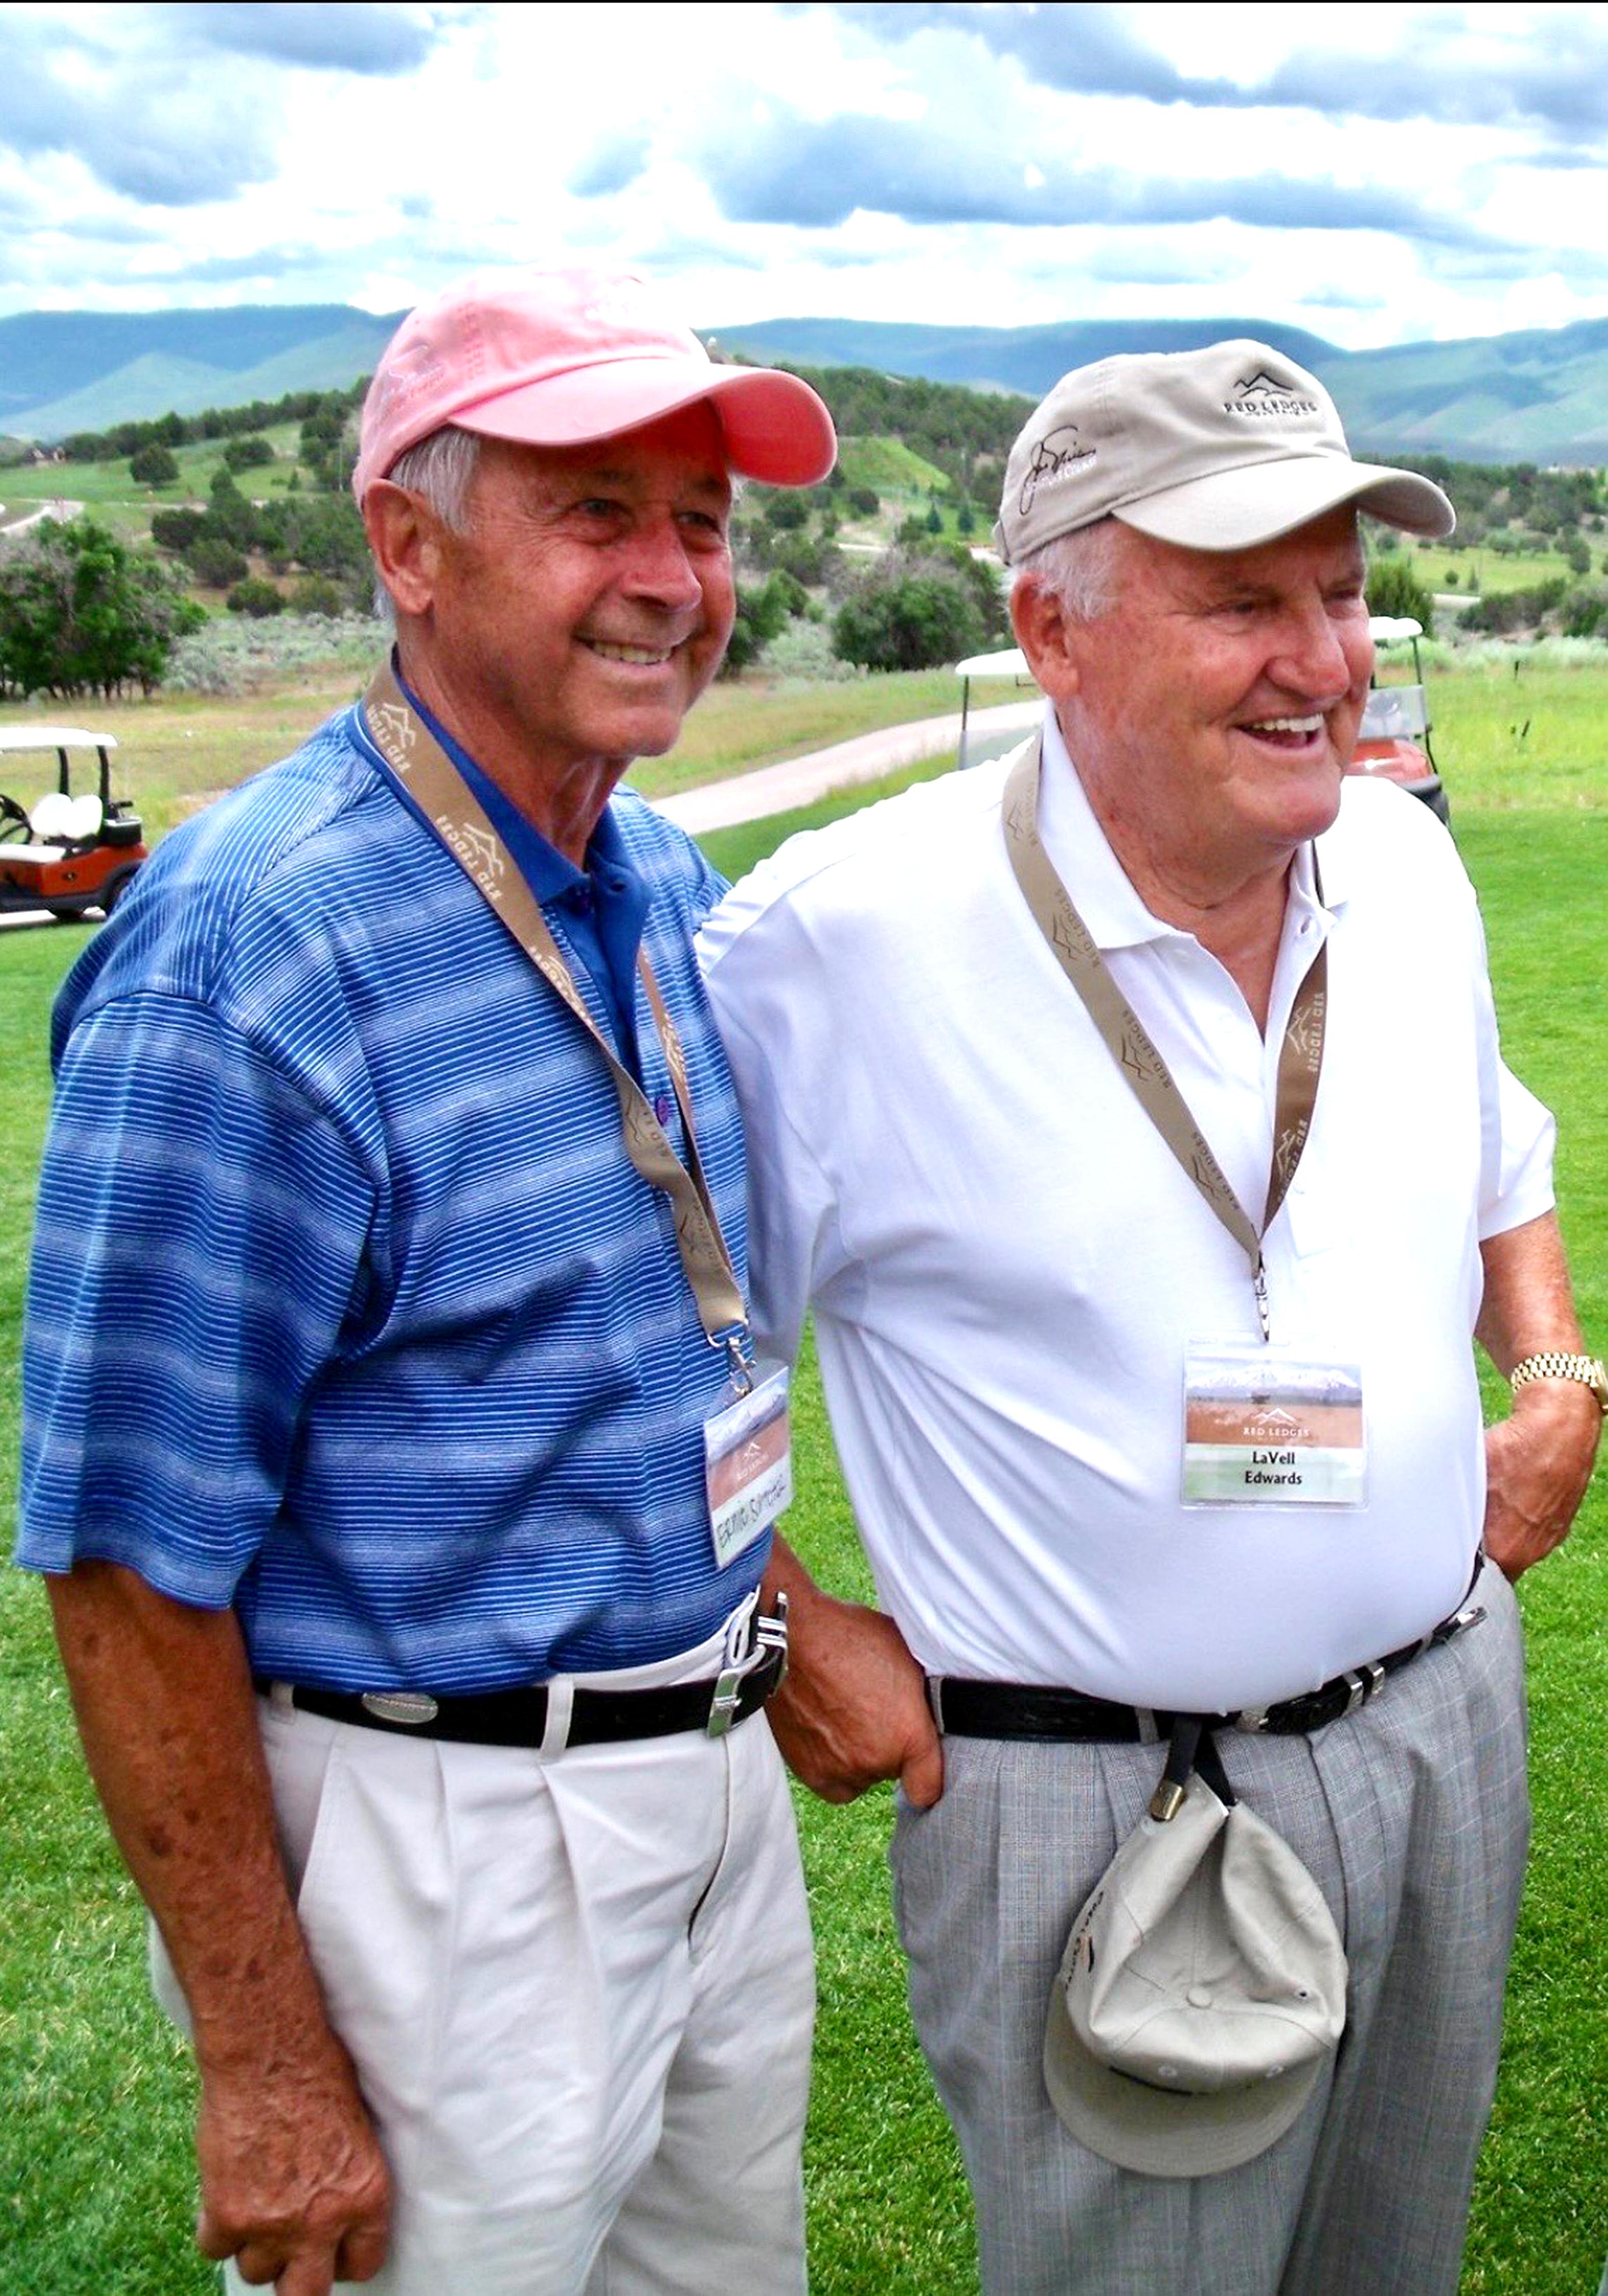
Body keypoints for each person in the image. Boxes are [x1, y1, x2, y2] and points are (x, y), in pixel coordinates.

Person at [707, 340, 1605, 2294]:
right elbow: (648, 1355)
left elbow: (1498, 1161)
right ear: (1053, 628)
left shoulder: (1400, 860)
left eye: (1345, 590)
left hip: (1442, 1722)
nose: (1327, 657)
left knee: (1400, 2263)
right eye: (1242, 600)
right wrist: (775, 1625)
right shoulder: (831, 949)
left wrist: (1546, 1366)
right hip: (1098, 1795)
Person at [18, 265, 836, 2296]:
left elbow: (659, 1338)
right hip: (451, 1847)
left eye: (705, 524)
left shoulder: (655, 880)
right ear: (408, 545)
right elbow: (123, 1559)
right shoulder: (247, 963)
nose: (674, 578)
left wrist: (782, 1618)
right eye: (598, 511)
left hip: (711, 1802)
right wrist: (266, 2061)